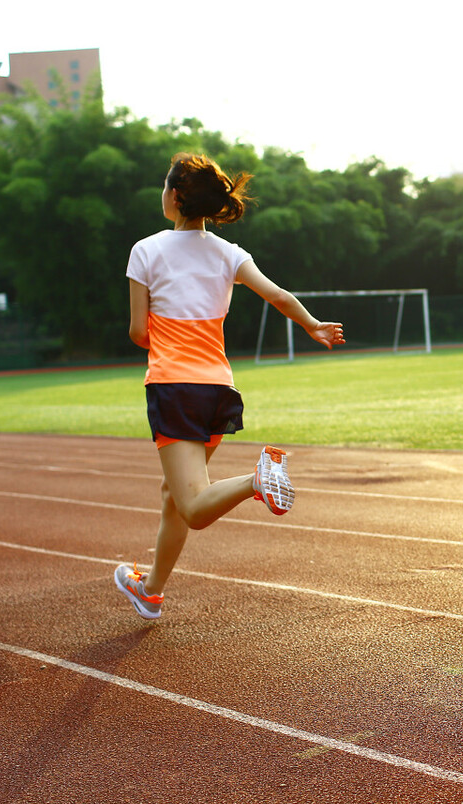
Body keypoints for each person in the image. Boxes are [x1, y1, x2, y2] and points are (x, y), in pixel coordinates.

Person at [114, 152, 345, 620]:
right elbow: (277, 295)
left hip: (175, 387)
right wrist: (313, 325)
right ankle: (151, 590)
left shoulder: (145, 250)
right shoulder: (228, 253)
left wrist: (164, 325)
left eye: (164, 187)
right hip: (218, 389)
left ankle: (255, 479)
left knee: (194, 506)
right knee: (174, 497)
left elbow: (139, 333)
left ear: (175, 196)